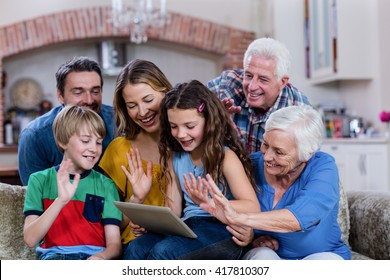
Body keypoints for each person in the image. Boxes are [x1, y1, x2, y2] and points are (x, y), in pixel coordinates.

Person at [124, 80, 260, 260]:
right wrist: (150, 223)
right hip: (188, 225)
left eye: (190, 126)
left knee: (164, 252)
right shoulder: (176, 157)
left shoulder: (226, 158)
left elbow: (252, 207)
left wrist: (210, 203)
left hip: (222, 229)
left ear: (208, 122)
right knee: (136, 247)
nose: (181, 134)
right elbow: (173, 209)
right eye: (174, 126)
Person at [200, 105, 351, 260]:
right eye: (265, 144)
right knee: (263, 257)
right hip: (268, 255)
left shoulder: (322, 166)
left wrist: (241, 218)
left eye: (279, 152)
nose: (266, 157)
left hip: (322, 254)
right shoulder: (249, 165)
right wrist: (250, 238)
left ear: (306, 154)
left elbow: (300, 218)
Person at [23, 105, 122, 260]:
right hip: (55, 258)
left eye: (98, 142)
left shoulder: (106, 185)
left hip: (93, 257)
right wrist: (60, 201)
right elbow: (30, 239)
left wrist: (101, 257)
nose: (94, 149)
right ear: (63, 141)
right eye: (85, 140)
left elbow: (114, 245)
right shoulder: (39, 180)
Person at [98, 59, 173, 247]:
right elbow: (108, 223)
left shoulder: (187, 142)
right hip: (135, 244)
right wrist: (135, 202)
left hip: (175, 243)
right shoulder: (119, 150)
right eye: (132, 105)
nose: (142, 111)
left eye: (148, 100)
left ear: (165, 92)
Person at [18, 56, 115, 186]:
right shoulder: (34, 136)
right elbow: (35, 197)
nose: (89, 100)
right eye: (78, 92)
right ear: (60, 96)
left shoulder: (118, 122)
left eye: (95, 91)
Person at [207, 37, 310, 154]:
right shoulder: (226, 84)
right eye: (249, 75)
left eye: (263, 79)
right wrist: (212, 115)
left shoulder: (299, 109)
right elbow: (189, 109)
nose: (252, 86)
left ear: (282, 82)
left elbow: (308, 163)